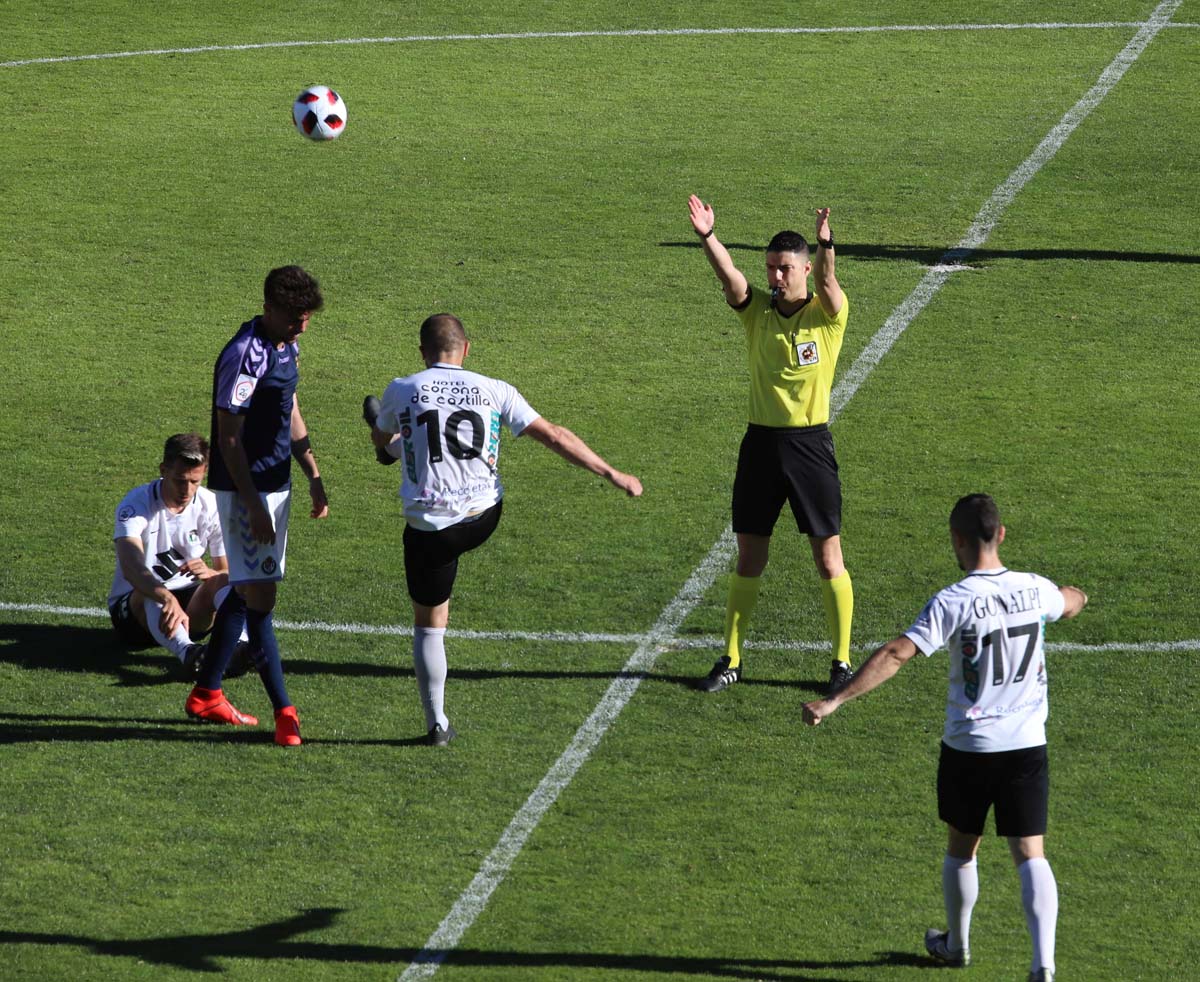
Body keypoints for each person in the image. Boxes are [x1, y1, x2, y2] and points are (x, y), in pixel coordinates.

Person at [802, 494, 1088, 982]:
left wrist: (834, 701)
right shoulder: (1035, 589)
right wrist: (1075, 595)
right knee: (1030, 854)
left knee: (962, 847)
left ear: (957, 540)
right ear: (1000, 534)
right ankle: (1044, 966)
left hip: (970, 748)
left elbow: (896, 653)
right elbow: (1070, 602)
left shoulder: (953, 600)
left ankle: (957, 946)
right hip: (1026, 746)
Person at [364, 313, 642, 746]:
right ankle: (410, 450)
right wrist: (612, 473)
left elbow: (380, 437)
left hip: (431, 530)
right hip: (483, 518)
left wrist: (386, 443)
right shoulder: (495, 389)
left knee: (430, 624)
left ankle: (436, 724)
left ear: (422, 352)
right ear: (466, 349)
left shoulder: (402, 389)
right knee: (430, 455)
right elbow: (554, 435)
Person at [686, 194, 854, 694]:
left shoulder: (827, 316)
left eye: (784, 269)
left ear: (804, 269)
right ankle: (732, 658)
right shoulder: (757, 312)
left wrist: (825, 243)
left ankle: (841, 662)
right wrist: (708, 236)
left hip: (810, 448)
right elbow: (730, 278)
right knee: (748, 557)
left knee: (828, 558)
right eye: (771, 268)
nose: (776, 277)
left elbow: (829, 282)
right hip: (760, 445)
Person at [186, 265, 330, 747]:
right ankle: (285, 713)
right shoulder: (244, 356)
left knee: (248, 589)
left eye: (306, 318)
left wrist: (312, 474)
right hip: (247, 491)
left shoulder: (287, 345)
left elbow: (289, 407)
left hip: (275, 485)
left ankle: (206, 692)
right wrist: (251, 505)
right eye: (293, 318)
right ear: (268, 308)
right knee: (262, 603)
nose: (302, 326)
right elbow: (228, 438)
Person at [108, 433, 249, 678]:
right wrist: (165, 596)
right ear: (163, 470)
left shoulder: (210, 505)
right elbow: (132, 567)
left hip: (190, 608)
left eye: (195, 481)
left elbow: (227, 571)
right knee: (151, 591)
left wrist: (210, 573)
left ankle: (242, 646)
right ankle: (190, 654)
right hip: (135, 612)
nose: (187, 490)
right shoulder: (136, 505)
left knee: (225, 582)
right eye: (180, 480)